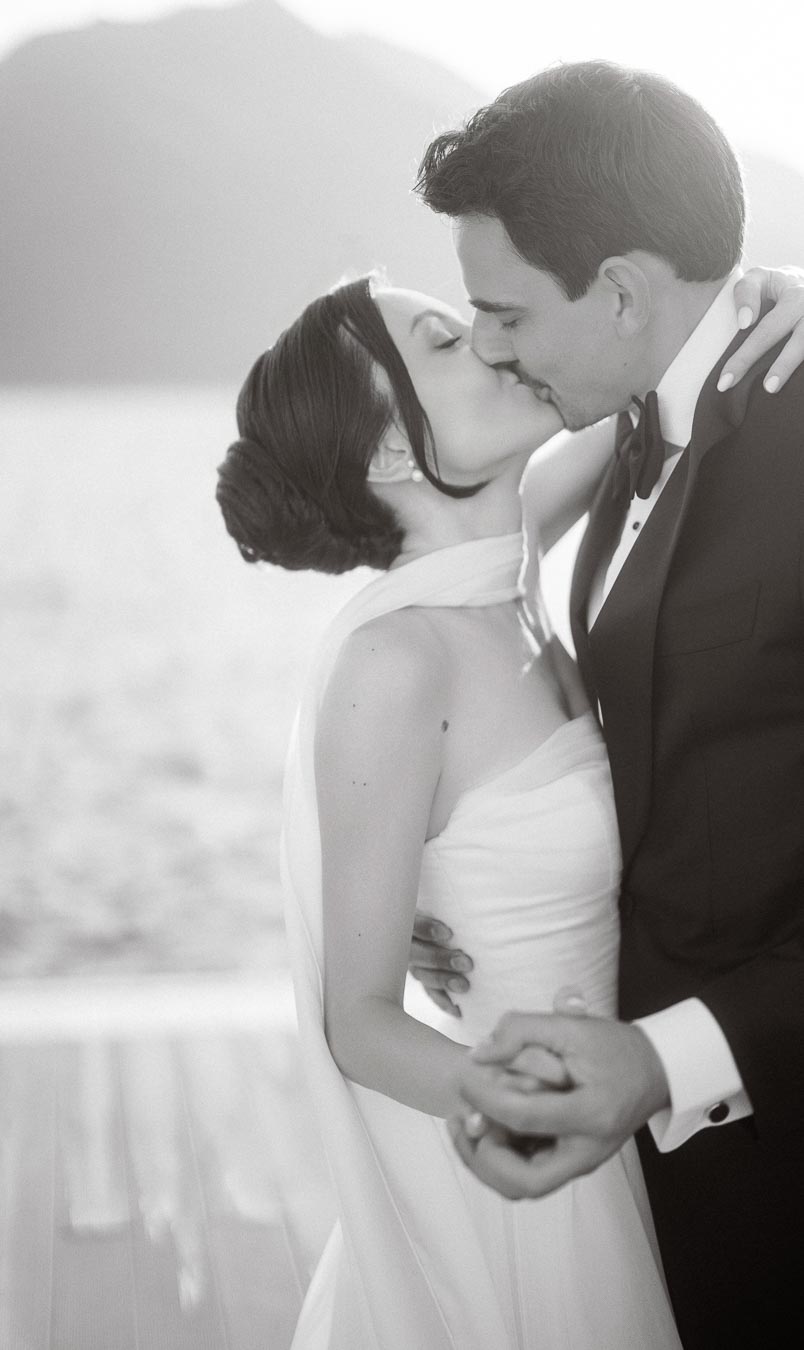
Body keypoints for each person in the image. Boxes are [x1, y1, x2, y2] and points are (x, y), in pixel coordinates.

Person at [216, 260, 803, 1347]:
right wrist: (525, 1096)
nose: (493, 343)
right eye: (444, 342)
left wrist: (784, 287)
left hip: (647, 1126)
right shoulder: (397, 661)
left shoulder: (510, 561)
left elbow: (659, 372)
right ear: (392, 449)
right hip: (536, 1164)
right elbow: (359, 1019)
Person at [411, 60, 804, 1350]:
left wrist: (667, 1059)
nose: (488, 345)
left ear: (626, 290)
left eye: (507, 312)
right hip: (663, 1166)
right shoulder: (638, 416)